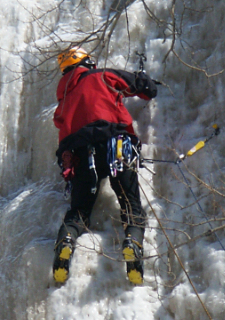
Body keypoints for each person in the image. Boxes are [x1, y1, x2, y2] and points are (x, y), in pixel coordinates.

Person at [52, 47, 158, 284]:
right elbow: (141, 86)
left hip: (80, 156)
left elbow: (60, 123)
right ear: (87, 62)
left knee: (78, 212)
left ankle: (66, 241)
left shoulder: (64, 97)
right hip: (113, 145)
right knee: (131, 205)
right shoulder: (100, 76)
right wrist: (148, 84)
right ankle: (132, 244)